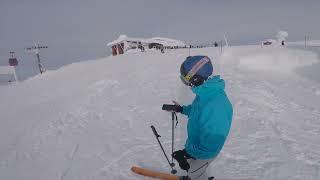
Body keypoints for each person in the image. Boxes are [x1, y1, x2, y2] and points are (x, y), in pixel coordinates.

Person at [163, 56, 233, 180]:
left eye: (186, 80)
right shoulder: (206, 93)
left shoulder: (215, 106)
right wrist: (182, 109)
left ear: (196, 79)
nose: (187, 85)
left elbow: (210, 145)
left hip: (205, 153)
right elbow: (198, 111)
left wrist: (188, 154)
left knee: (194, 172)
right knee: (196, 170)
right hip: (198, 146)